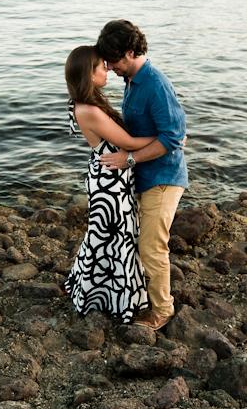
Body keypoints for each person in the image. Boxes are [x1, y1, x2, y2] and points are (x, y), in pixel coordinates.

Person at [96, 20, 188, 331]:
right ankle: (141, 297)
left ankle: (162, 310)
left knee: (151, 246)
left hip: (164, 177)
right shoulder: (133, 80)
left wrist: (130, 158)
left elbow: (174, 136)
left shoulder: (154, 83)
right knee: (137, 242)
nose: (109, 67)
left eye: (114, 60)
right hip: (144, 175)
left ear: (132, 52)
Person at [64, 45, 156, 324]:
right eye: (102, 67)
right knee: (115, 238)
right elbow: (127, 143)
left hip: (110, 175)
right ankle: (112, 298)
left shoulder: (87, 104)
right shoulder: (89, 110)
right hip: (109, 181)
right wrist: (167, 139)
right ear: (89, 75)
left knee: (110, 237)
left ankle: (98, 291)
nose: (107, 70)